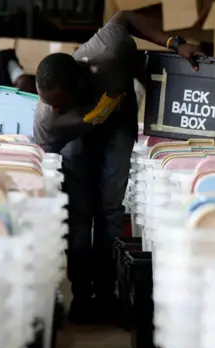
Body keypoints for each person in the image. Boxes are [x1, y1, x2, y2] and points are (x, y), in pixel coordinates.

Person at [33, 10, 201, 324]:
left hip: (117, 126)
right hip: (74, 141)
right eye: (48, 103)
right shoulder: (49, 119)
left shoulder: (106, 51)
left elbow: (126, 17)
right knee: (80, 215)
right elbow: (45, 166)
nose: (52, 108)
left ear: (80, 82)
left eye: (58, 102)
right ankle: (82, 296)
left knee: (110, 210)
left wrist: (175, 44)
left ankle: (108, 293)